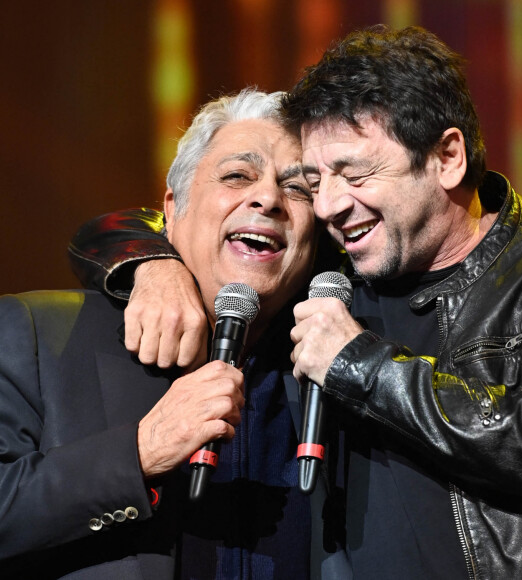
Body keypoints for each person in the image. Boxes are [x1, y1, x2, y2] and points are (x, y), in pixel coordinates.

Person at [71, 26, 522, 579]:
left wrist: (359, 363)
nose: (330, 206)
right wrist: (155, 264)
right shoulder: (343, 274)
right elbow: (151, 224)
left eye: (354, 173)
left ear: (447, 157)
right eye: (315, 182)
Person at [0, 89, 322, 579]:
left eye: (297, 189)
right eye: (237, 175)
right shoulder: (37, 334)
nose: (269, 198)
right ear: (172, 210)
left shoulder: (335, 368)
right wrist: (141, 451)